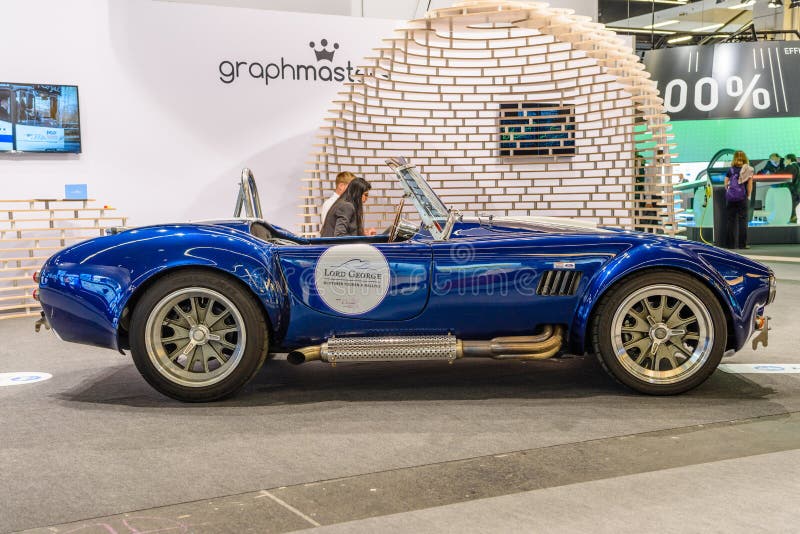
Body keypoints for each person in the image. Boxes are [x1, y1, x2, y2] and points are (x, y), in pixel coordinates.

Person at [723, 150, 754, 249]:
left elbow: (725, 183)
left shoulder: (731, 170)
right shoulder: (748, 170)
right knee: (742, 221)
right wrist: (748, 195)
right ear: (745, 158)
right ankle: (742, 245)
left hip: (731, 198)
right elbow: (749, 184)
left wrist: (729, 191)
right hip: (742, 198)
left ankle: (729, 245)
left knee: (730, 221)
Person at [785, 154, 800, 223]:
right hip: (797, 189)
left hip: (793, 190)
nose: (784, 161)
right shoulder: (797, 166)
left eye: (785, 159)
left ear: (789, 159)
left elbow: (790, 179)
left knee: (792, 204)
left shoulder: (791, 166)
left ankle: (793, 218)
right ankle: (794, 217)